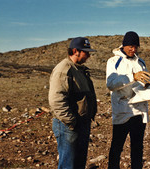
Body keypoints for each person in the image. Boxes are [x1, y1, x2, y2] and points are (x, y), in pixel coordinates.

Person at [49, 37, 97, 169]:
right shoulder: (64, 69)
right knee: (68, 164)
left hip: (80, 123)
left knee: (78, 162)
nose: (88, 55)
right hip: (69, 126)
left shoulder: (78, 69)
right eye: (85, 52)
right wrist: (70, 121)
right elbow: (56, 99)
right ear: (75, 51)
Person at [106, 31, 150, 169]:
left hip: (139, 111)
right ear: (124, 45)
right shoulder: (114, 61)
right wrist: (133, 76)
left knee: (137, 148)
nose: (133, 49)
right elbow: (111, 84)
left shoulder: (140, 62)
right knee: (117, 147)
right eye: (131, 46)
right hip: (123, 111)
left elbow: (146, 79)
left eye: (136, 47)